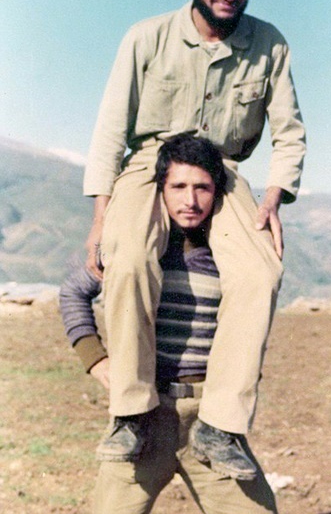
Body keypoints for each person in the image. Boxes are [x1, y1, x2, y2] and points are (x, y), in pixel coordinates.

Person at [83, 0, 306, 477]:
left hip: (221, 172)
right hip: (150, 166)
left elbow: (289, 133)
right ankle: (130, 411)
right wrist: (101, 218)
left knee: (260, 272)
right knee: (128, 257)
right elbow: (110, 130)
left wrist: (274, 196)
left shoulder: (271, 45)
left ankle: (221, 424)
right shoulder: (145, 37)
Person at [60, 135, 279, 513]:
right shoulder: (137, 252)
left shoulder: (233, 258)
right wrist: (96, 360)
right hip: (143, 422)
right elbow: (73, 293)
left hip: (210, 421)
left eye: (202, 188)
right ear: (160, 188)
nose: (190, 200)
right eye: (178, 186)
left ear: (217, 192)